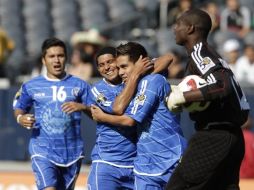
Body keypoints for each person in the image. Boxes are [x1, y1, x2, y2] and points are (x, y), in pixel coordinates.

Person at [166, 9, 250, 190]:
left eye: (178, 24)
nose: (174, 28)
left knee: (178, 187)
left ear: (190, 28)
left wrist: (182, 96)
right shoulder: (209, 54)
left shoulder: (201, 54)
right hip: (232, 136)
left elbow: (222, 86)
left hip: (214, 137)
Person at [91, 42, 187, 190]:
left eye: (117, 65)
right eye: (101, 65)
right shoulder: (99, 89)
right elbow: (118, 107)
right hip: (118, 162)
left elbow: (168, 57)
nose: (115, 70)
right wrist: (135, 74)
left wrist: (103, 117)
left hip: (167, 159)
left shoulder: (149, 80)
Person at [13, 38, 91, 190]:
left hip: (72, 153)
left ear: (66, 58)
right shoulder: (31, 86)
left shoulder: (80, 85)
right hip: (42, 150)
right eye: (51, 56)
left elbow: (96, 113)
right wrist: (20, 117)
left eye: (60, 56)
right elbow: (19, 107)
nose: (56, 60)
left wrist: (82, 107)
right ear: (44, 60)